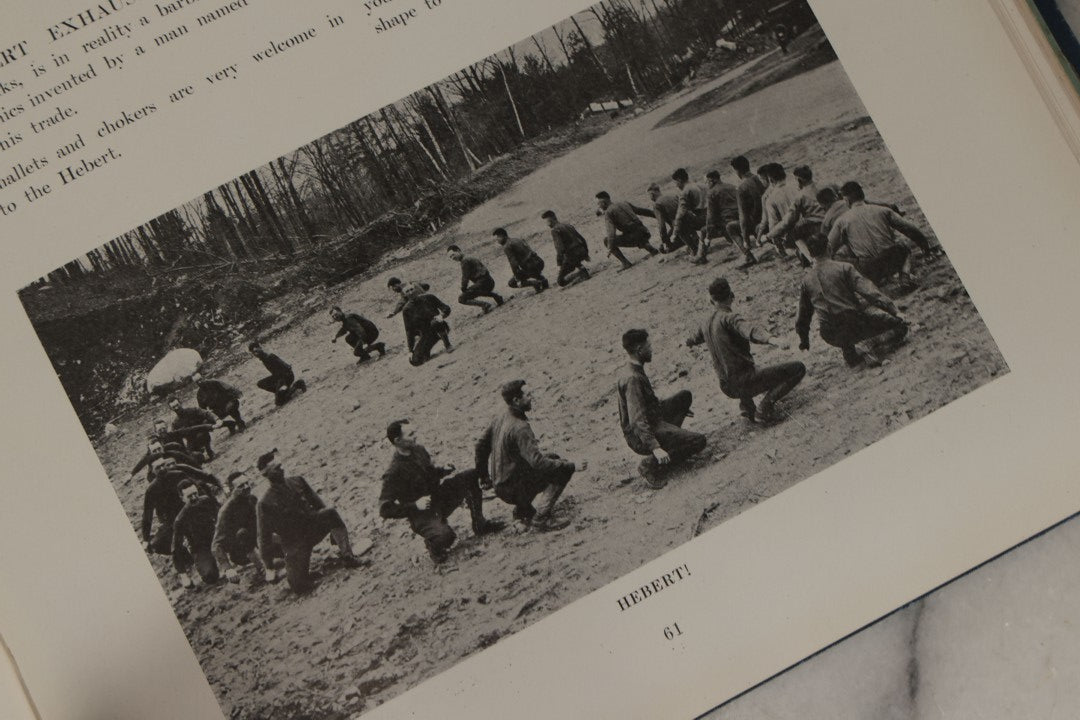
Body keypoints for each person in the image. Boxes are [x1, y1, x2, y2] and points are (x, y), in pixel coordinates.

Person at [379, 420, 504, 563]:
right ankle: (434, 546)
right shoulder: (393, 472)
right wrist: (414, 505)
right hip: (422, 514)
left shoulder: (419, 450)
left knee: (470, 476)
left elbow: (429, 474)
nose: (416, 436)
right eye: (411, 434)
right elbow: (385, 509)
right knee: (446, 537)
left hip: (438, 498)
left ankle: (479, 524)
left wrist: (443, 471)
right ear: (398, 440)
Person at [687, 277, 806, 424]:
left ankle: (746, 406)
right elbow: (749, 330)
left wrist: (688, 342)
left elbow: (693, 338)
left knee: (737, 362)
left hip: (726, 386)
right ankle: (764, 409)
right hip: (743, 383)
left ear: (711, 300)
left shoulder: (705, 324)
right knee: (798, 368)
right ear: (732, 296)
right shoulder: (729, 318)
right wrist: (772, 339)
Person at [475, 380, 584, 531]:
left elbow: (480, 446)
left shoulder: (500, 417)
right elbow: (538, 463)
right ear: (516, 400)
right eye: (528, 395)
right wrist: (572, 466)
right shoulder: (520, 428)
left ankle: (523, 511)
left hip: (500, 484)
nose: (531, 397)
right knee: (562, 469)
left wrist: (484, 476)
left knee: (553, 457)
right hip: (512, 488)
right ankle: (541, 519)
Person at [255, 450, 364, 593]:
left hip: (313, 528)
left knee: (330, 512)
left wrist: (333, 529)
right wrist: (268, 566)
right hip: (294, 543)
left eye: (280, 465)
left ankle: (348, 557)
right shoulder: (265, 503)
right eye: (276, 468)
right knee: (299, 586)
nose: (281, 469)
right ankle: (297, 574)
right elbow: (263, 536)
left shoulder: (297, 481)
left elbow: (319, 505)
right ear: (266, 474)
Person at [796, 233, 909, 367]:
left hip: (829, 332)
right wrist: (894, 311)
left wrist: (804, 340)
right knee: (900, 326)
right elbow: (870, 292)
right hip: (853, 323)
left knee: (845, 328)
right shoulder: (843, 268)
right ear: (829, 247)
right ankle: (868, 344)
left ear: (811, 253)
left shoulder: (806, 281)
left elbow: (804, 314)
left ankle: (851, 351)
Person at [617, 329, 707, 488]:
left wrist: (678, 409)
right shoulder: (632, 379)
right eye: (648, 346)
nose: (651, 349)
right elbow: (637, 420)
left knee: (684, 397)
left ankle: (670, 439)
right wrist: (655, 447)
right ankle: (650, 464)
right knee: (698, 441)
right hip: (640, 435)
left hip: (653, 418)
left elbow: (648, 404)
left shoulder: (634, 368)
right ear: (639, 350)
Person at [827, 181, 938, 288]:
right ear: (862, 195)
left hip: (869, 269)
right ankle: (905, 275)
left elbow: (828, 247)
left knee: (841, 256)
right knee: (903, 247)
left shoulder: (842, 221)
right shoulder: (882, 210)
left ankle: (869, 283)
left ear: (846, 199)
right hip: (892, 260)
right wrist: (925, 247)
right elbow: (911, 229)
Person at [141, 456, 223, 557]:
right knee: (156, 544)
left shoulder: (179, 474)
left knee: (206, 536)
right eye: (158, 467)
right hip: (172, 520)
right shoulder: (151, 490)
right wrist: (145, 539)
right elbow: (147, 514)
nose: (162, 469)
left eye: (163, 465)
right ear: (152, 471)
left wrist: (213, 505)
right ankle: (185, 555)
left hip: (191, 511)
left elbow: (198, 489)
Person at [212, 470, 275, 582]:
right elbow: (216, 544)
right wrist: (227, 568)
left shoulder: (252, 499)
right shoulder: (226, 511)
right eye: (241, 486)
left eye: (247, 483)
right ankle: (262, 569)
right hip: (240, 551)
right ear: (232, 490)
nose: (246, 487)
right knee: (242, 533)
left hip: (258, 540)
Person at [764, 164, 826, 266]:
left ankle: (811, 260)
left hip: (805, 229)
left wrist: (769, 238)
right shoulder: (799, 187)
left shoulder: (770, 199)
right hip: (822, 223)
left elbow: (781, 223)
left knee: (794, 234)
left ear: (770, 180)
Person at [171, 479, 222, 588]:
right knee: (210, 576)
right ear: (182, 498)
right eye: (189, 497)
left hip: (217, 538)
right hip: (200, 548)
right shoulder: (180, 520)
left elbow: (224, 517)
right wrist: (183, 574)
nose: (194, 498)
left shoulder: (207, 500)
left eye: (195, 494)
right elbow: (176, 548)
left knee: (242, 555)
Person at [595, 191, 660, 270]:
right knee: (633, 231)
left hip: (634, 237)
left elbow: (611, 232)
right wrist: (657, 215)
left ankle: (625, 263)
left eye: (599, 204)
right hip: (645, 232)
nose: (599, 206)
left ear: (604, 202)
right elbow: (641, 211)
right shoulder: (623, 203)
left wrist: (610, 247)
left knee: (606, 240)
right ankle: (650, 249)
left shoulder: (609, 212)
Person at [704, 170, 753, 265]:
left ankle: (747, 255)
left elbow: (710, 216)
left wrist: (708, 236)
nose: (707, 184)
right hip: (741, 216)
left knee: (705, 231)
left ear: (712, 180)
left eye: (707, 182)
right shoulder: (731, 186)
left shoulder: (711, 193)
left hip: (728, 221)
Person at [759, 164, 800, 261]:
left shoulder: (770, 199)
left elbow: (773, 225)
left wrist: (767, 238)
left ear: (770, 180)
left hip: (793, 236)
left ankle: (789, 252)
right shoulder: (797, 186)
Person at [730, 155, 765, 266]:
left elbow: (743, 217)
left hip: (757, 224)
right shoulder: (759, 179)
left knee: (730, 227)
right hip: (768, 218)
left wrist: (746, 240)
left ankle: (748, 256)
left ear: (737, 170)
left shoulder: (741, 188)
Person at [447, 245, 505, 313]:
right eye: (450, 257)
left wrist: (463, 288)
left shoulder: (465, 261)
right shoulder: (468, 257)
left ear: (458, 251)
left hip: (484, 283)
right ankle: (496, 296)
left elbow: (465, 277)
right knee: (474, 289)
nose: (452, 258)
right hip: (489, 281)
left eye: (453, 255)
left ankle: (484, 305)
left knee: (461, 298)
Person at [167, 396, 225, 460]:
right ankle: (200, 452)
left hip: (202, 433)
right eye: (174, 407)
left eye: (177, 405)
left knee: (202, 434)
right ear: (171, 409)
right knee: (193, 457)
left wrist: (217, 419)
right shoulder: (175, 423)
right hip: (191, 441)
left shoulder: (192, 410)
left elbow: (206, 413)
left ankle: (209, 451)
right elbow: (175, 436)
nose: (176, 408)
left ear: (180, 403)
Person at [542, 210, 591, 286]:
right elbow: (582, 239)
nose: (547, 224)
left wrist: (559, 263)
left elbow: (560, 249)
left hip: (572, 256)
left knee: (560, 281)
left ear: (552, 219)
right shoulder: (567, 225)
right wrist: (586, 253)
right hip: (582, 251)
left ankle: (581, 273)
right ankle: (580, 268)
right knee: (570, 259)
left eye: (547, 222)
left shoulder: (555, 230)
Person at [249, 341, 306, 406]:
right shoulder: (263, 359)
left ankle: (298, 384)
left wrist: (282, 384)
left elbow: (286, 368)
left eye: (256, 351)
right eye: (253, 353)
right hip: (278, 377)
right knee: (260, 384)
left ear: (260, 348)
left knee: (279, 402)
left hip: (287, 376)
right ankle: (282, 392)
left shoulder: (270, 356)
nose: (255, 354)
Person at [404, 292, 453, 366]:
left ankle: (448, 345)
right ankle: (429, 347)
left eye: (412, 289)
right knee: (415, 360)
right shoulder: (406, 309)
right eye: (407, 291)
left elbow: (446, 308)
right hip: (427, 334)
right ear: (405, 295)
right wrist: (410, 350)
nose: (411, 292)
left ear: (416, 289)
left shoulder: (429, 297)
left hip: (439, 325)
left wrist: (441, 315)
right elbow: (409, 331)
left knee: (435, 322)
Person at [493, 229, 549, 293]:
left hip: (530, 267)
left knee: (512, 283)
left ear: (504, 236)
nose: (497, 240)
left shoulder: (507, 246)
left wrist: (517, 278)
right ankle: (543, 280)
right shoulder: (517, 239)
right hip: (539, 262)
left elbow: (513, 263)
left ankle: (535, 283)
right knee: (527, 270)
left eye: (498, 237)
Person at [672, 168, 708, 263]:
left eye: (676, 183)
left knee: (679, 221)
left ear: (679, 180)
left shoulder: (685, 191)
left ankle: (694, 249)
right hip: (712, 214)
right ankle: (697, 244)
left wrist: (675, 233)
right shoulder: (701, 185)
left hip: (703, 218)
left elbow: (681, 213)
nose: (676, 185)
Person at [386, 277, 432, 350]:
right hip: (429, 307)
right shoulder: (411, 283)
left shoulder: (405, 290)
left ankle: (412, 346)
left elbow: (402, 302)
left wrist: (394, 312)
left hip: (422, 311)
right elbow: (427, 286)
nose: (394, 291)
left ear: (396, 285)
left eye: (393, 288)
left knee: (410, 326)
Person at [646, 183, 683, 253]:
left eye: (649, 195)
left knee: (666, 250)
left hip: (679, 229)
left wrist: (664, 242)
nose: (650, 198)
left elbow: (662, 226)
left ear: (652, 194)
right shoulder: (672, 195)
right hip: (689, 223)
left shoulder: (657, 204)